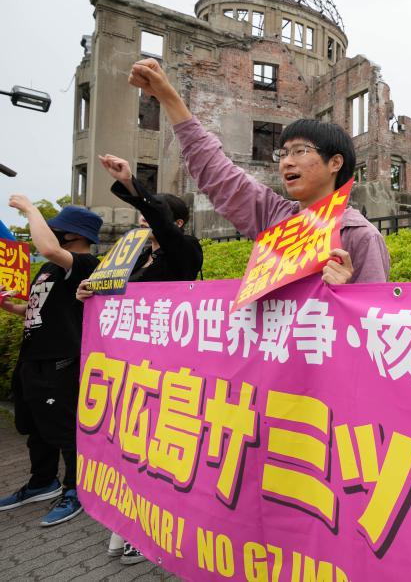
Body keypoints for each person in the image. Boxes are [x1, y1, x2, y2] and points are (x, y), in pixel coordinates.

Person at [127, 58, 389, 286]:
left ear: (335, 163)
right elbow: (216, 171)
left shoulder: (360, 236)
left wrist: (345, 293)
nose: (286, 162)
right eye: (283, 154)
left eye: (300, 151)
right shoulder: (274, 216)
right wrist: (167, 96)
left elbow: (375, 317)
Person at [75, 154, 204, 565]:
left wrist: (133, 185)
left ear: (175, 223)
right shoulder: (131, 257)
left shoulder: (185, 252)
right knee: (130, 446)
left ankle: (154, 532)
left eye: (154, 216)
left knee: (159, 451)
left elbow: (162, 224)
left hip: (169, 370)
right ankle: (128, 525)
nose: (145, 222)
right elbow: (112, 295)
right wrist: (89, 292)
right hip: (129, 368)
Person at [0, 201, 102, 526]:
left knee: (65, 429)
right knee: (36, 428)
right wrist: (11, 307)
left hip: (60, 361)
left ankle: (75, 489)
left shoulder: (85, 264)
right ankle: (42, 482)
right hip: (33, 357)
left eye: (56, 227)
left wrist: (30, 209)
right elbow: (38, 307)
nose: (51, 231)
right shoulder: (48, 269)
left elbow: (47, 246)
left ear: (72, 234)